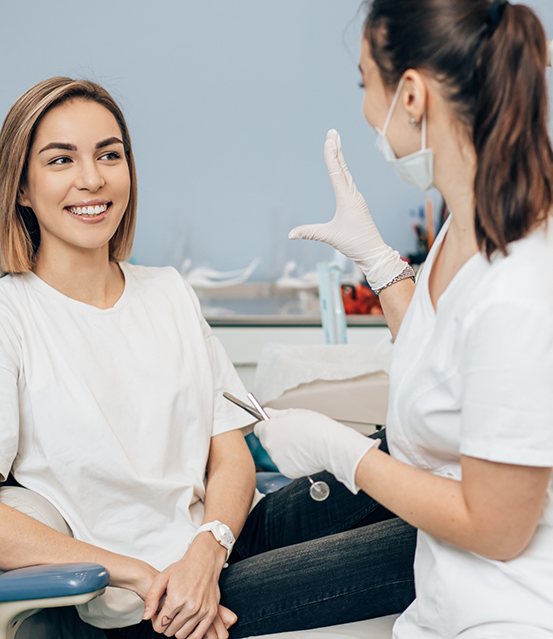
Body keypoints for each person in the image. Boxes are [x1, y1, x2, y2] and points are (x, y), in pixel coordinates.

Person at [0, 77, 418, 639]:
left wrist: (208, 548)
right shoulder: (12, 317)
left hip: (221, 545)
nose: (92, 178)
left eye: (109, 154)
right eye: (60, 160)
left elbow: (231, 455)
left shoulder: (167, 291)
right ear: (21, 188)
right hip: (144, 605)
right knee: (434, 540)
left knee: (415, 447)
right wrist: (146, 577)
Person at [255, 1, 553, 637]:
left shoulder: (522, 284)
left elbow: (498, 528)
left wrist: (344, 453)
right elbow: (446, 364)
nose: (366, 107)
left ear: (411, 94)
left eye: (368, 82)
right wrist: (381, 263)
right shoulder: (463, 229)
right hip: (447, 603)